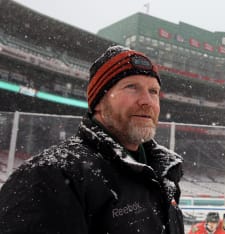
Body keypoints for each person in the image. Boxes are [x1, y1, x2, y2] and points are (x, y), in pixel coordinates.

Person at [0, 45, 185, 234]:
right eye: (132, 87)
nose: (147, 101)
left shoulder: (165, 174)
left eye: (153, 91)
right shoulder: (48, 176)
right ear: (98, 102)